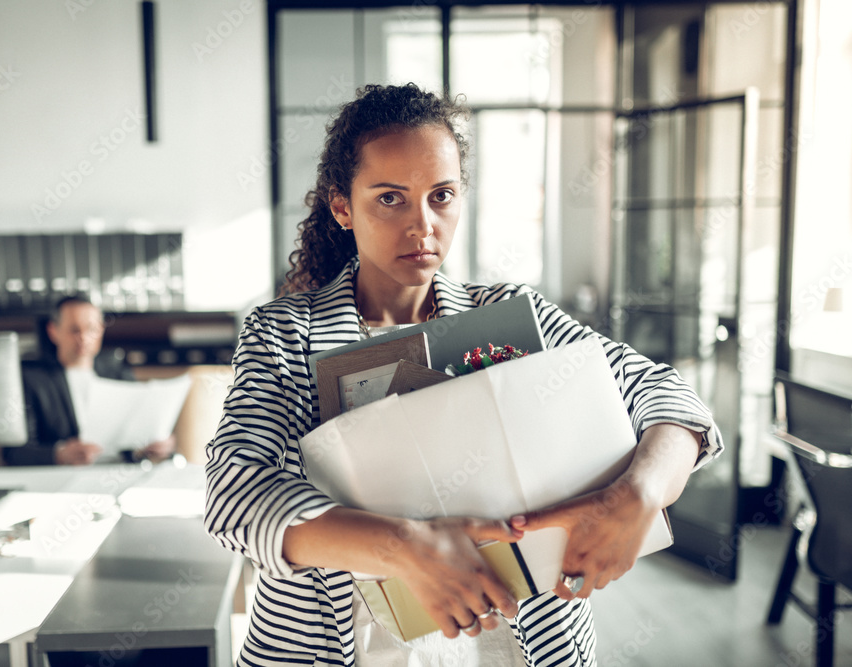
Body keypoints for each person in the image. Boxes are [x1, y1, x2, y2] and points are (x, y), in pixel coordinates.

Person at [204, 83, 723, 666]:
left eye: (441, 195)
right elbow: (235, 493)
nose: (422, 225)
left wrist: (640, 493)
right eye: (391, 198)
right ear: (342, 206)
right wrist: (406, 550)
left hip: (515, 648)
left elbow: (664, 394)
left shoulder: (507, 315)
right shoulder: (281, 333)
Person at [4, 294, 176, 466]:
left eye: (91, 329)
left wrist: (157, 444)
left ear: (101, 330)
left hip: (118, 471)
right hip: (64, 477)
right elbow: (13, 453)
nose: (84, 338)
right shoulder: (32, 379)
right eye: (75, 330)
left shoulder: (119, 373)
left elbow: (140, 436)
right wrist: (59, 454)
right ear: (53, 331)